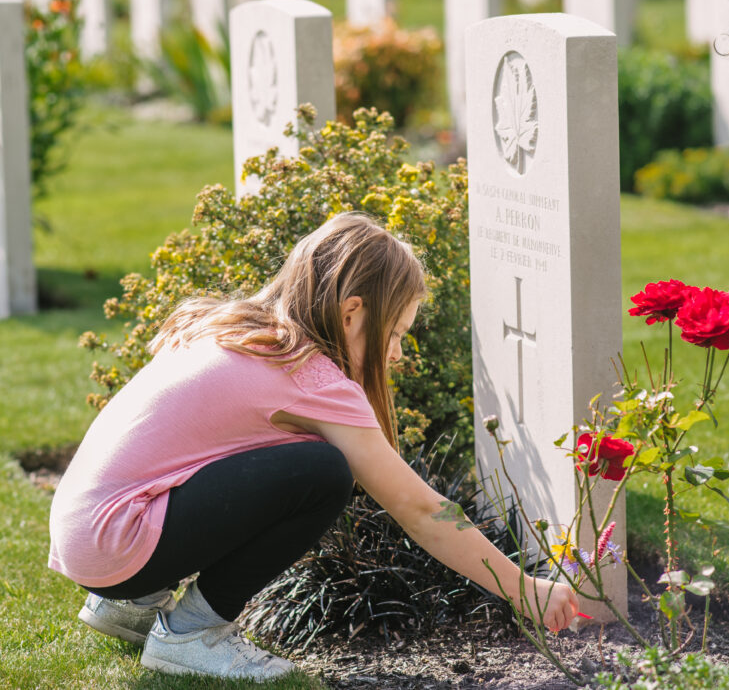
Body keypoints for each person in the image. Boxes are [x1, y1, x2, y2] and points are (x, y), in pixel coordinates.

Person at [48, 212, 579, 681]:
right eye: (395, 333)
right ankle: (191, 635)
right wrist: (521, 587)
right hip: (119, 545)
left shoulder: (231, 329)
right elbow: (420, 510)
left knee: (291, 464)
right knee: (323, 472)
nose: (395, 354)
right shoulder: (309, 378)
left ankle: (131, 606)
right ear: (352, 314)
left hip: (89, 535)